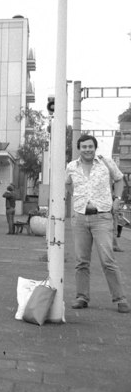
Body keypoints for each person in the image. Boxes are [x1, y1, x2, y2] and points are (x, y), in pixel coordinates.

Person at [65, 134, 129, 313]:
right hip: (80, 218)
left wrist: (117, 199)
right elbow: (68, 185)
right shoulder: (71, 166)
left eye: (90, 146)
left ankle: (120, 299)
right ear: (79, 148)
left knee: (107, 259)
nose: (87, 149)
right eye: (84, 146)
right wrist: (78, 199)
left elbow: (119, 180)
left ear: (95, 148)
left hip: (102, 218)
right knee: (81, 261)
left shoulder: (106, 163)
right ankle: (81, 297)